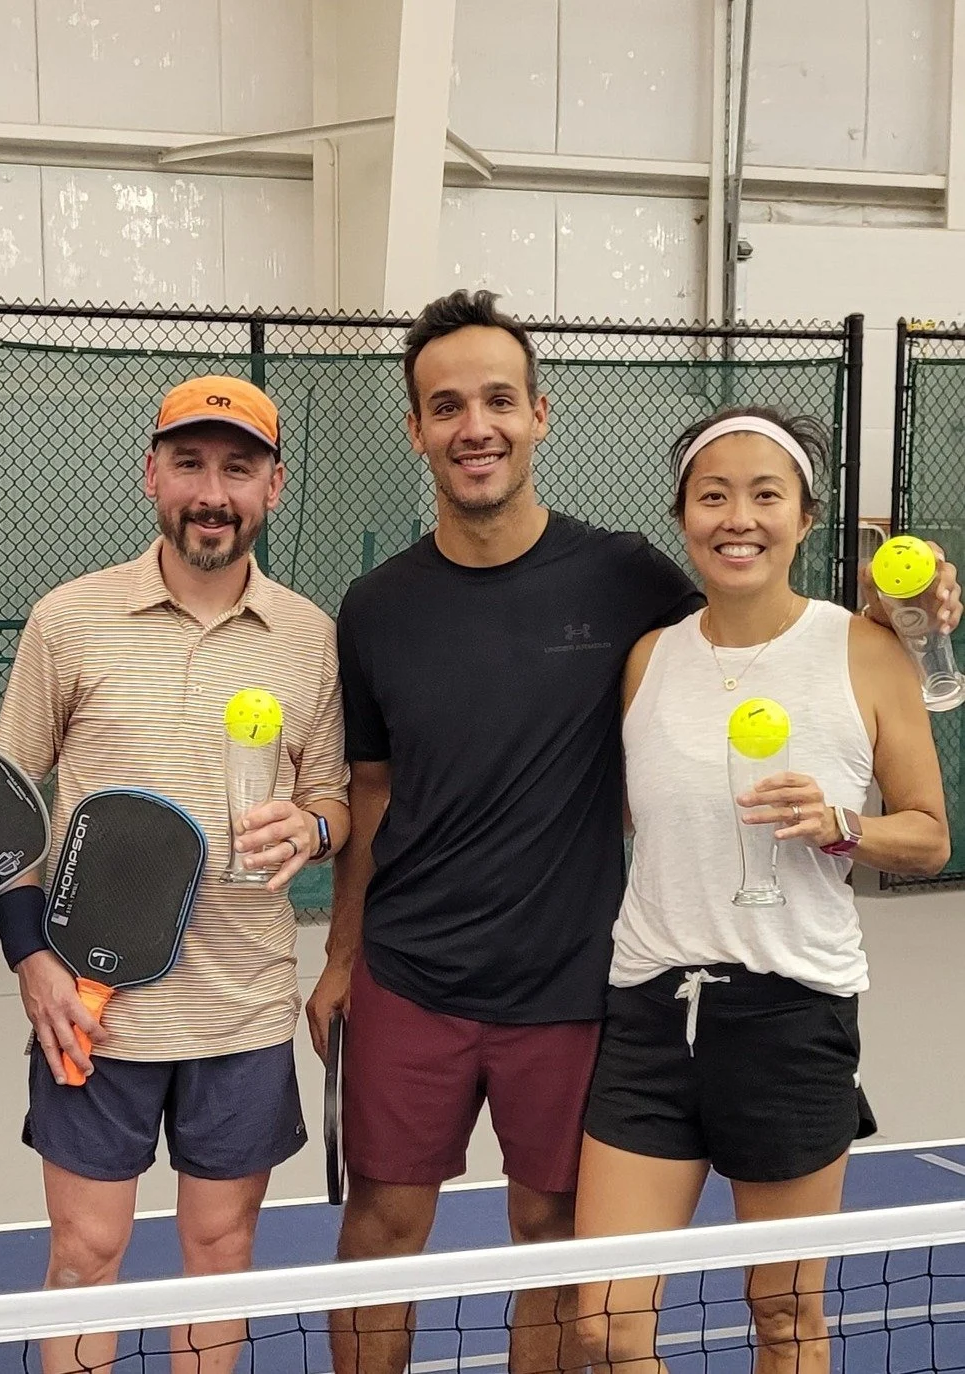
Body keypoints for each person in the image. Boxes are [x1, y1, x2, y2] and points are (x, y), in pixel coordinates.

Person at [307, 289, 705, 1374]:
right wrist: (342, 955)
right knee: (383, 1236)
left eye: (495, 400)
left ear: (540, 412)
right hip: (410, 977)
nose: (472, 425)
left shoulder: (629, 578)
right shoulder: (377, 605)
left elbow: (756, 644)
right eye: (445, 406)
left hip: (572, 984)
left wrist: (895, 621)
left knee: (550, 1236)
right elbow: (374, 793)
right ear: (416, 431)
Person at [572, 408, 951, 1374]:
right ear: (682, 516)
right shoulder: (647, 660)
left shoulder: (866, 652)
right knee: (605, 1327)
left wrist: (845, 825)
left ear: (807, 519)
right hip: (650, 1018)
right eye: (713, 495)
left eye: (766, 494)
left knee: (785, 1321)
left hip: (792, 1021)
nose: (738, 517)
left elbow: (928, 835)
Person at [0, 374, 350, 1374]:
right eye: (189, 463)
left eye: (239, 469)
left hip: (242, 1009)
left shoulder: (311, 640)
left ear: (273, 488)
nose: (212, 491)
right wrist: (31, 961)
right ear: (151, 473)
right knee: (85, 1254)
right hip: (93, 1008)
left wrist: (314, 829)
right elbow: (7, 802)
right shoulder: (70, 619)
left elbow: (336, 800)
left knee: (221, 1252)